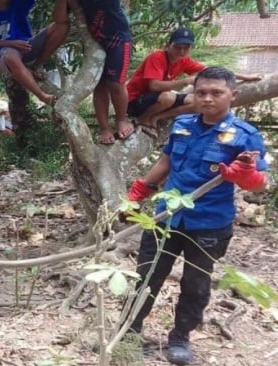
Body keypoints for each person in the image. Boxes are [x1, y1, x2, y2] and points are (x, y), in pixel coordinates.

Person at [124, 67, 268, 365]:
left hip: (209, 224)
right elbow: (165, 162)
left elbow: (260, 183)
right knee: (147, 276)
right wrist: (137, 194)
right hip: (166, 217)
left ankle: (180, 337)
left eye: (216, 93)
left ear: (233, 95)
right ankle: (130, 331)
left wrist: (244, 174)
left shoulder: (244, 136)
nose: (207, 99)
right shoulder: (182, 124)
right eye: (201, 93)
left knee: (196, 284)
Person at [126, 28, 262, 138]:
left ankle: (156, 117)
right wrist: (184, 81)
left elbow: (213, 70)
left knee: (197, 102)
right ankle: (142, 120)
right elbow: (154, 86)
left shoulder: (183, 60)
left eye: (186, 48)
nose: (181, 51)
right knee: (169, 97)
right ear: (168, 46)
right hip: (134, 101)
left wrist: (245, 76)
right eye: (178, 47)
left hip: (156, 99)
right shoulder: (157, 57)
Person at [0, 0, 69, 105]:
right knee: (11, 57)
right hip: (5, 50)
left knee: (61, 27)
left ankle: (37, 65)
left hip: (27, 45)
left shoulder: (19, 3)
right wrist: (12, 43)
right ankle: (42, 96)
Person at [78, 0, 134, 144]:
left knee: (115, 84)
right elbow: (60, 19)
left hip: (118, 39)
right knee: (99, 84)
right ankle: (104, 128)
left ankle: (121, 120)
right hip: (94, 40)